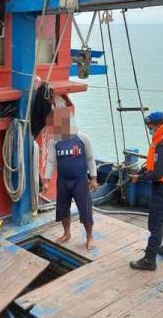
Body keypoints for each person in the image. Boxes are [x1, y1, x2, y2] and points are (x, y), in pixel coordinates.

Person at [129, 111, 163, 271]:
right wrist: (145, 170)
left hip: (162, 186)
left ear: (158, 125)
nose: (150, 130)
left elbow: (158, 174)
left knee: (156, 223)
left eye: (151, 128)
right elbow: (160, 166)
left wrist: (140, 177)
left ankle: (149, 260)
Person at [42, 107, 98, 250]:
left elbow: (91, 159)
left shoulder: (83, 138)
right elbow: (50, 162)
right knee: (62, 209)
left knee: (85, 210)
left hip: (80, 181)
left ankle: (89, 236)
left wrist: (93, 178)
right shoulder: (55, 141)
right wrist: (47, 181)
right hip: (63, 181)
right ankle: (67, 233)